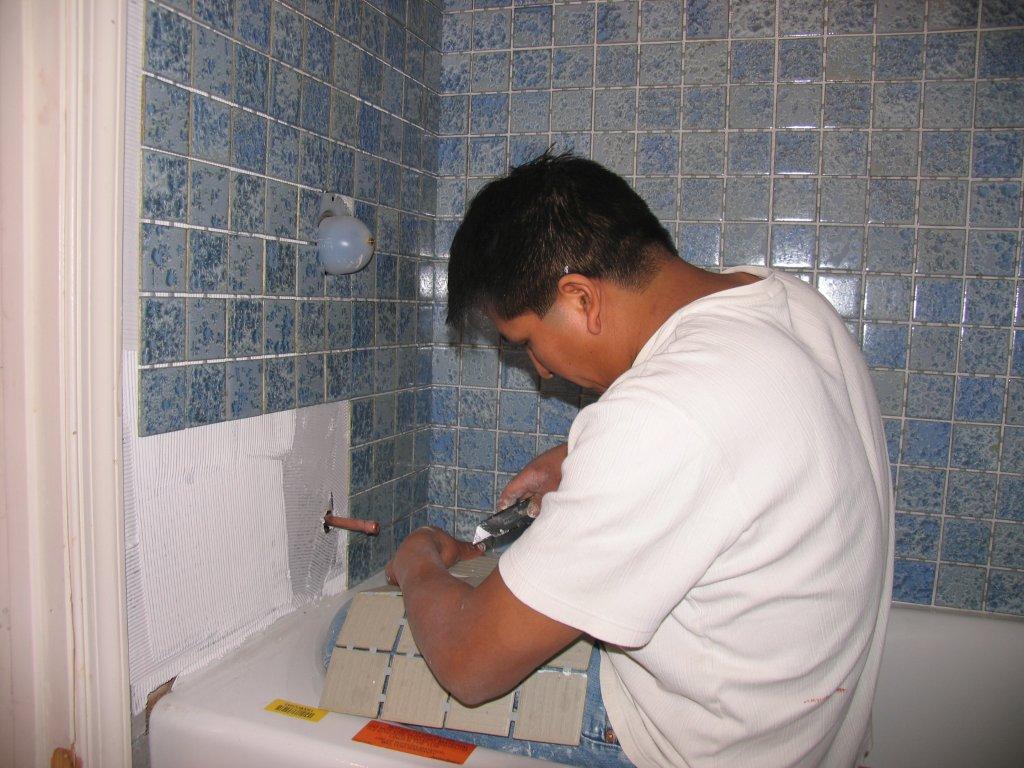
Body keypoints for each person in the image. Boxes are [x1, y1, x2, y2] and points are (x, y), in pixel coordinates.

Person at [385, 152, 894, 768]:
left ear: (580, 298)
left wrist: (418, 560)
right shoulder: (784, 302)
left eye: (527, 343)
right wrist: (578, 457)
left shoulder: (661, 414)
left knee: (358, 651)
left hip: (699, 751)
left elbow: (469, 665)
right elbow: (746, 438)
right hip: (811, 732)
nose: (541, 371)